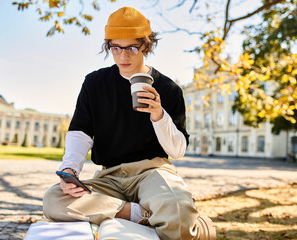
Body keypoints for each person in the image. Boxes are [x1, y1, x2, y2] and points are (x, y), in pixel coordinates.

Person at [43, 6, 216, 240]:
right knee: (54, 200)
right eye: (115, 48)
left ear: (146, 46)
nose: (123, 56)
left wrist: (158, 114)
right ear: (108, 46)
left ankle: (182, 221)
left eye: (132, 48)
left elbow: (178, 150)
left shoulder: (169, 89)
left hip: (152, 172)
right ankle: (142, 215)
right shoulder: (95, 83)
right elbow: (80, 133)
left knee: (178, 209)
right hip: (109, 177)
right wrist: (69, 169)